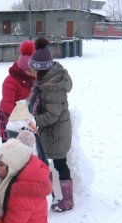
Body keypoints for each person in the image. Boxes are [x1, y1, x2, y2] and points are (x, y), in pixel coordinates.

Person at [28, 37, 74, 212]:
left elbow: (52, 115)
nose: (31, 73)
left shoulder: (52, 88)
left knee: (59, 164)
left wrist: (34, 121)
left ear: (42, 69)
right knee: (52, 164)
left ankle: (66, 200)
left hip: (57, 132)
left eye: (33, 70)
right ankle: (57, 195)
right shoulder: (46, 82)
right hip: (53, 131)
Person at [0, 40, 36, 143]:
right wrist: (24, 114)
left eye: (35, 71)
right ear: (22, 69)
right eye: (30, 71)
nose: (33, 74)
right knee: (10, 144)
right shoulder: (10, 81)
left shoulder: (33, 80)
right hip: (8, 116)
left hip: (25, 117)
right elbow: (7, 104)